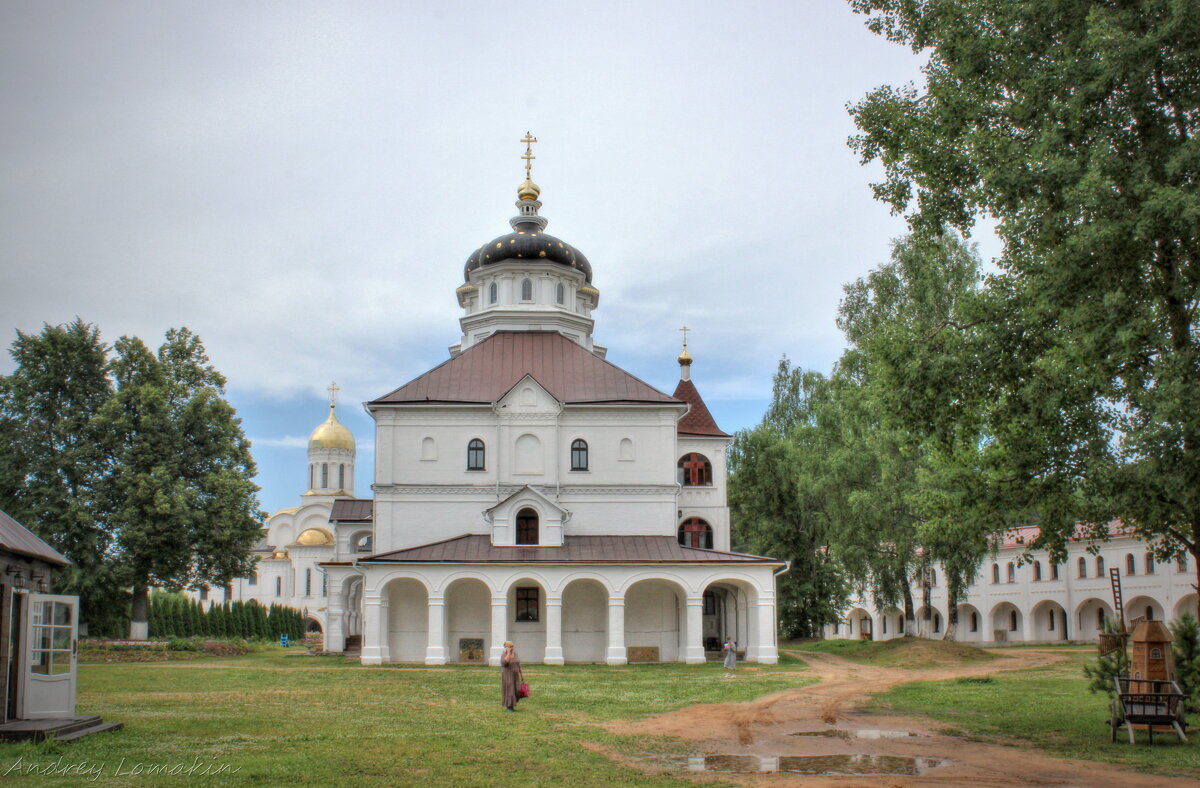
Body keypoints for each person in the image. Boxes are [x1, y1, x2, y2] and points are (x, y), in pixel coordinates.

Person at [500, 640, 524, 711]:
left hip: (515, 675)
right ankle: (509, 706)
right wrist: (508, 653)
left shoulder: (515, 654)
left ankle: (512, 703)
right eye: (510, 646)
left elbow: (518, 664)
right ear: (506, 647)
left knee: (517, 690)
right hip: (508, 675)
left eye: (512, 646)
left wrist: (521, 675)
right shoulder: (504, 654)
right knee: (510, 690)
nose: (512, 648)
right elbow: (505, 663)